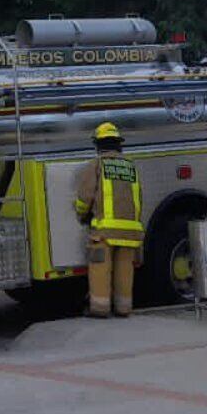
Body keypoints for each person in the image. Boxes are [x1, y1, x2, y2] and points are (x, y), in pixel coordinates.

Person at [73, 122, 144, 318]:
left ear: (98, 145)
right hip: (130, 231)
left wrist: (81, 214)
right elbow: (139, 198)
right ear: (118, 144)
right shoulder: (131, 166)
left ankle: (100, 308)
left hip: (104, 232)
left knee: (100, 269)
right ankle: (123, 308)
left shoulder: (96, 165)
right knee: (124, 271)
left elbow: (84, 197)